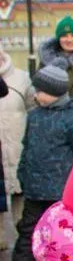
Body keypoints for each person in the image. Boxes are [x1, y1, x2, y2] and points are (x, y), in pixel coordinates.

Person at [6, 66, 73, 261]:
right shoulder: (33, 115)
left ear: (55, 92)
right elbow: (27, 147)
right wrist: (23, 174)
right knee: (27, 233)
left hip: (62, 190)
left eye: (41, 91)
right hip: (34, 189)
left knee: (65, 236)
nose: (37, 94)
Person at [0, 47, 31, 236]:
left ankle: (22, 233)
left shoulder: (21, 78)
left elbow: (33, 107)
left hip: (17, 140)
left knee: (18, 188)